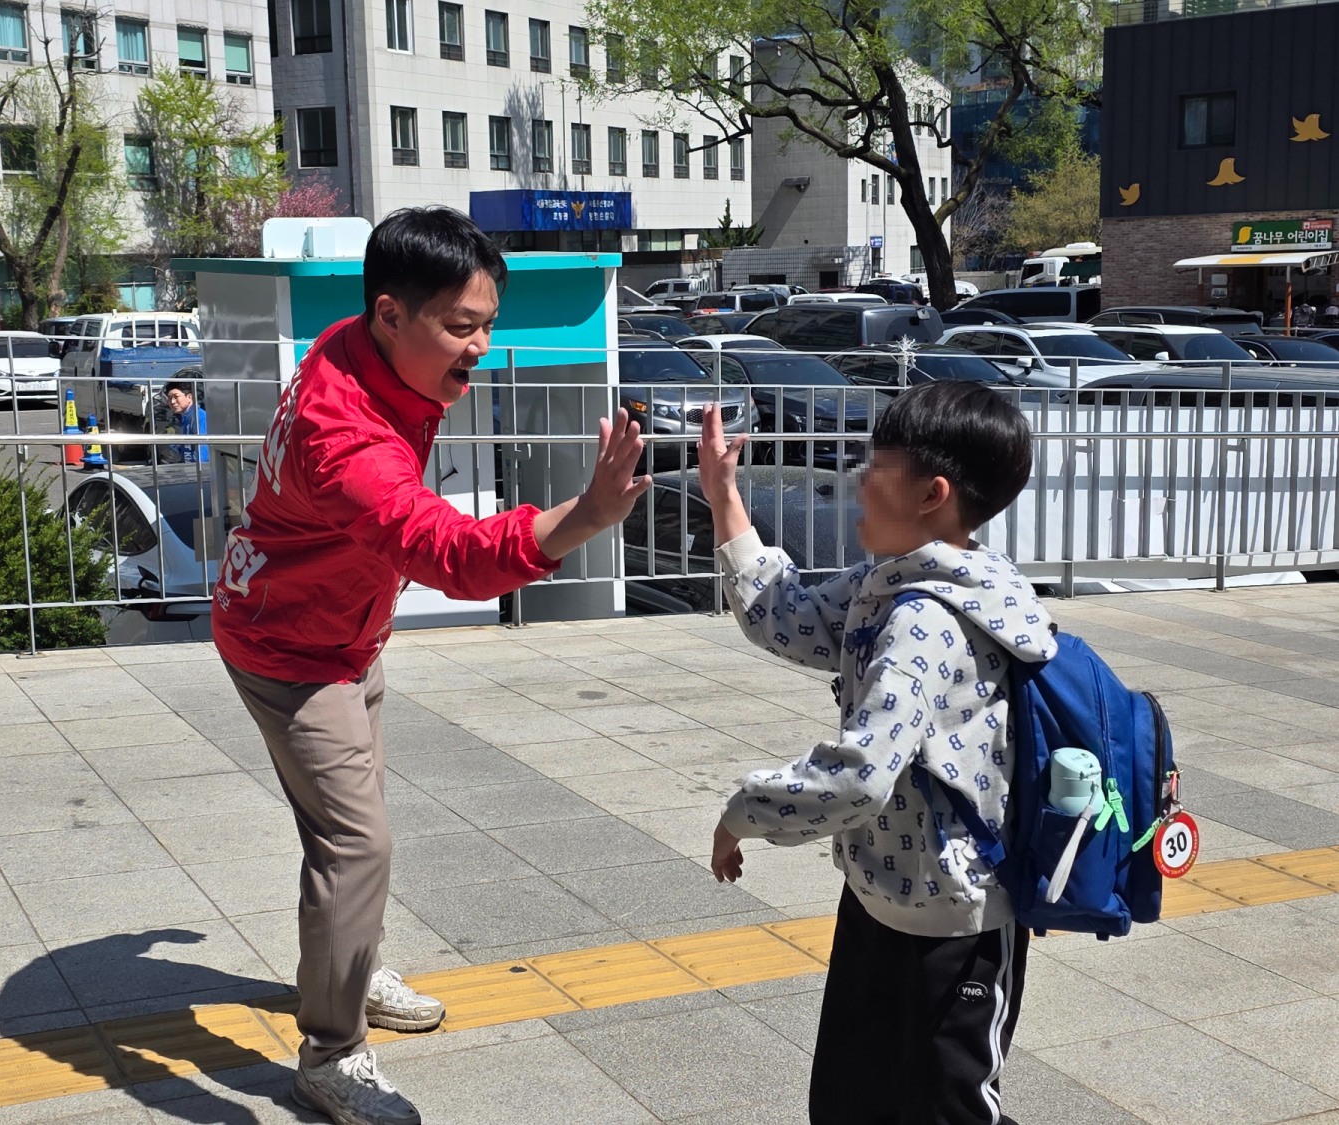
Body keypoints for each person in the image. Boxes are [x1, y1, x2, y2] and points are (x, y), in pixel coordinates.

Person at [212, 206, 650, 1125]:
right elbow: (446, 551)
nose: (480, 349)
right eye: (461, 327)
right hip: (292, 648)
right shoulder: (348, 438)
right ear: (389, 314)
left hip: (339, 626)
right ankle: (331, 1053)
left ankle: (350, 968)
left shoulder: (352, 345)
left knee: (345, 835)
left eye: (488, 324)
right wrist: (585, 517)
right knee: (357, 840)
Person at [698, 382, 1057, 1125]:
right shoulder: (883, 587)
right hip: (880, 895)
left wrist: (745, 809)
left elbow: (859, 775)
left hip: (956, 923)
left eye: (879, 463)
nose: (861, 477)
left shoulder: (925, 619)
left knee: (950, 1111)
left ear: (932, 492)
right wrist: (724, 495)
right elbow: (786, 615)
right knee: (849, 1102)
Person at [163, 379, 208, 463]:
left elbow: (203, 451)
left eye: (176, 397)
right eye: (169, 398)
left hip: (198, 471)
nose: (172, 402)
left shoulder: (200, 417)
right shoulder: (186, 417)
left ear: (189, 397)